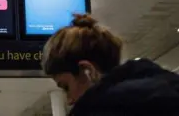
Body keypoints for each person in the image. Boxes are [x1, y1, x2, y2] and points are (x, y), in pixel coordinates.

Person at [42, 13, 179, 115]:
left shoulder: (101, 109)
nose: (70, 100)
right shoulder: (169, 87)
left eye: (66, 87)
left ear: (87, 71)